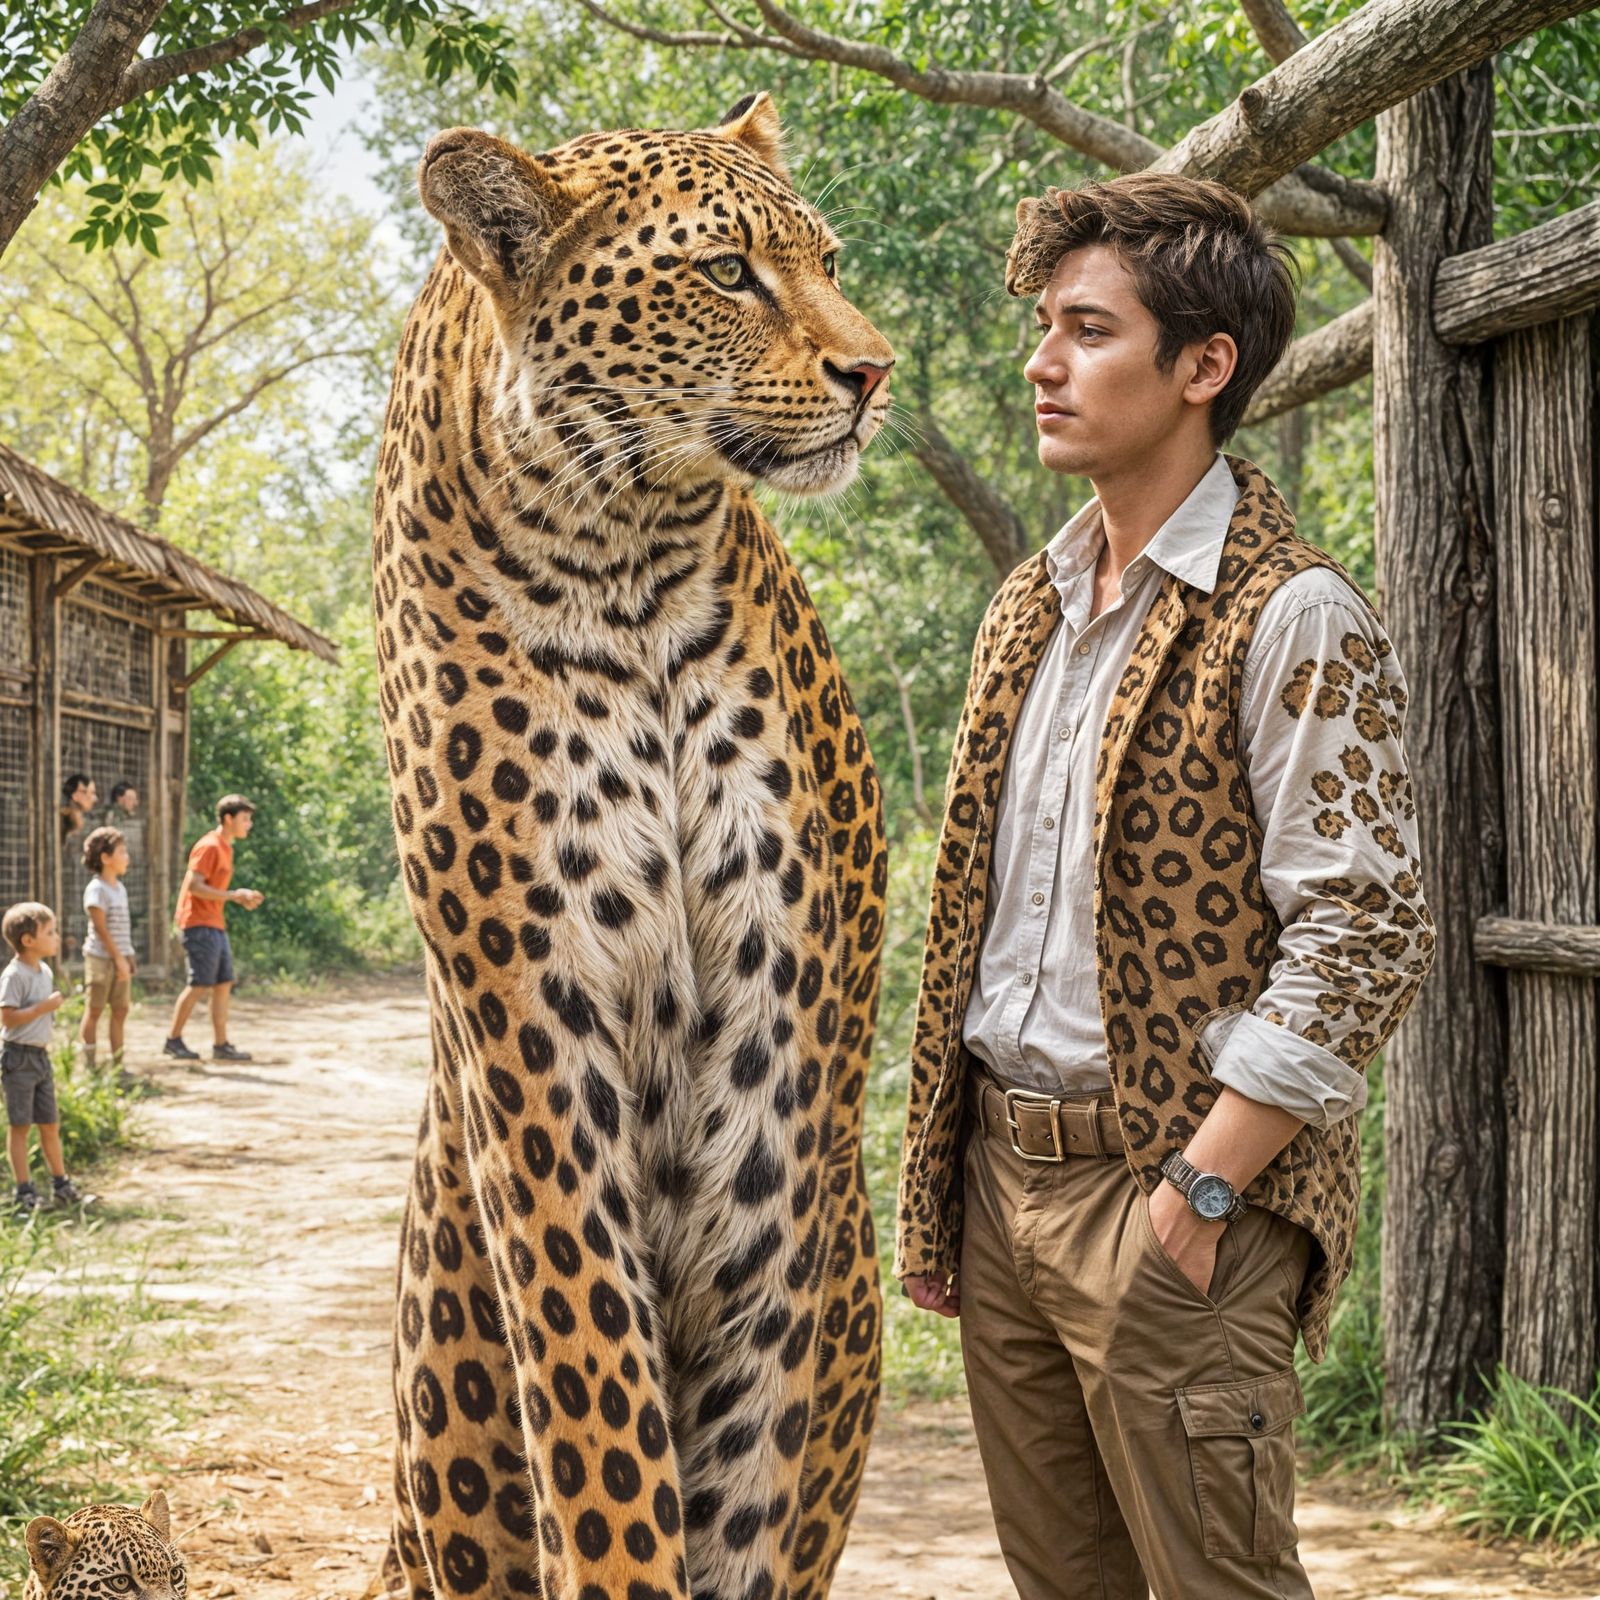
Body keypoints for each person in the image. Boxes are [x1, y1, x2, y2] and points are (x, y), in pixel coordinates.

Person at [895, 174, 1436, 1600]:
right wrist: (950, 1183)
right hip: (1003, 1186)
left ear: (1204, 368)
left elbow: (1369, 929)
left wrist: (1202, 1187)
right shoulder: (1033, 603)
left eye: (1087, 330)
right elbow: (981, 919)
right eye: (1044, 326)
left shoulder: (1292, 609)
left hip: (1173, 1194)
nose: (1041, 362)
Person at [164, 795, 263, 1063]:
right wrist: (234, 895)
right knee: (199, 984)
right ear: (228, 819)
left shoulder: (226, 848)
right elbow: (195, 886)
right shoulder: (209, 846)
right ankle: (173, 1040)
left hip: (215, 924)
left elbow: (212, 889)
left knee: (222, 983)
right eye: (245, 819)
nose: (249, 824)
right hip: (198, 924)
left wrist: (238, 897)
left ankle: (221, 1045)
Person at [1, 903, 85, 1214]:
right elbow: (7, 1018)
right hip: (18, 1058)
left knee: (50, 1124)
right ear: (28, 940)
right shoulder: (14, 975)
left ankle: (61, 1184)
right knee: (20, 1126)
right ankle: (23, 1191)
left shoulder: (45, 971)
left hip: (40, 1057)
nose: (57, 937)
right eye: (49, 932)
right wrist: (42, 1009)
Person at [80, 827, 135, 1072]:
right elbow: (101, 929)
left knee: (121, 1010)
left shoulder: (120, 888)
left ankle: (117, 1067)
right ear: (105, 858)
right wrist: (117, 958)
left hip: (121, 958)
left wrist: (128, 956)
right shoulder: (96, 889)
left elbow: (122, 928)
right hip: (101, 959)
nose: (127, 857)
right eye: (122, 852)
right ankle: (90, 1067)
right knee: (94, 1010)